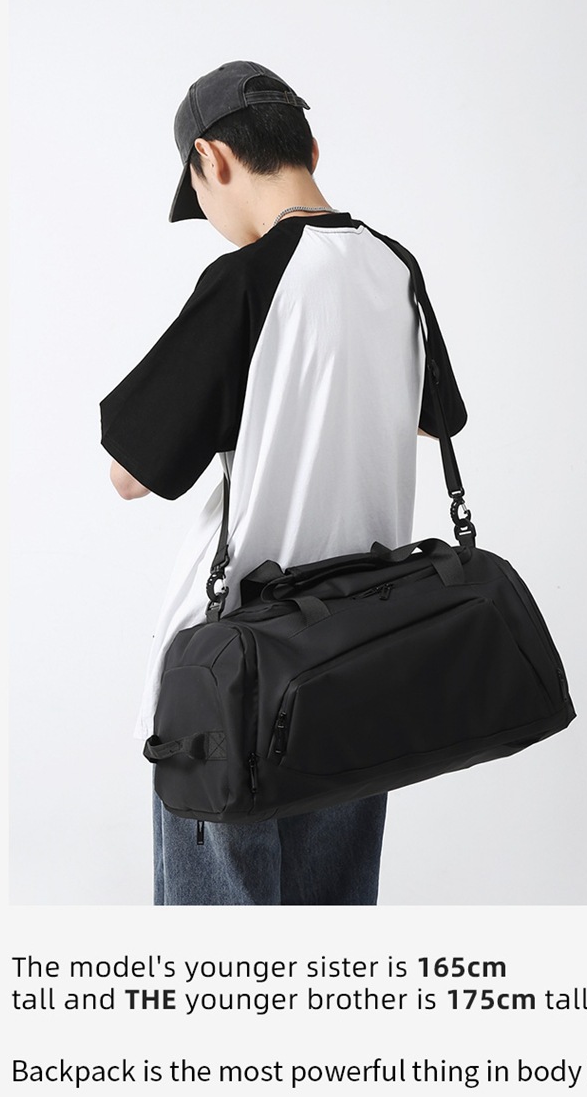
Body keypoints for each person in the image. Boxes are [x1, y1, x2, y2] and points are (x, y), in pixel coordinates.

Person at [100, 58, 466, 907]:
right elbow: (431, 420)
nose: (211, 219)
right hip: (361, 658)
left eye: (200, 195)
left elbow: (129, 474)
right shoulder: (396, 268)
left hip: (234, 675)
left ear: (212, 159)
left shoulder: (246, 280)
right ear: (310, 146)